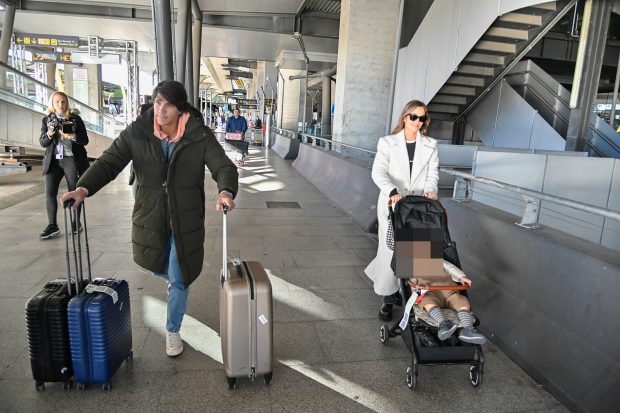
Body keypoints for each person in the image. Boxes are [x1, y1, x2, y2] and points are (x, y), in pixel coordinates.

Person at [61, 81, 239, 357]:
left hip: (185, 219)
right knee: (156, 265)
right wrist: (83, 188)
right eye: (157, 102)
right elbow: (109, 163)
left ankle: (172, 329)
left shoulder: (199, 136)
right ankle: (172, 278)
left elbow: (223, 166)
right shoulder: (138, 132)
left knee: (179, 277)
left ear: (180, 110)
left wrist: (225, 190)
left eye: (168, 105)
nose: (161, 110)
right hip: (151, 215)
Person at [364, 100, 439, 322]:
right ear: (405, 118)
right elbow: (378, 172)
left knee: (419, 254)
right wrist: (392, 191)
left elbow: (433, 174)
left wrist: (431, 191)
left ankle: (417, 299)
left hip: (419, 206)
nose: (418, 121)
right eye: (414, 117)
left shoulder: (431, 145)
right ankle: (387, 299)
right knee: (391, 252)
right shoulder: (387, 143)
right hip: (393, 204)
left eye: (422, 117)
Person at [39, 91, 89, 239]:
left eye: (63, 102)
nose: (61, 105)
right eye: (57, 102)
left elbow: (85, 140)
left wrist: (73, 136)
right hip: (53, 160)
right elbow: (43, 142)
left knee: (74, 191)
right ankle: (52, 225)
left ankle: (76, 222)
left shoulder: (75, 119)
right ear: (52, 104)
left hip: (71, 159)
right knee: (49, 193)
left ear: (67, 103)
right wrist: (49, 133)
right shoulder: (47, 120)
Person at [128, 103, 153, 194]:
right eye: (138, 112)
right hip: (137, 172)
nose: (139, 115)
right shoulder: (134, 129)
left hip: (149, 174)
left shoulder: (157, 130)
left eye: (141, 112)